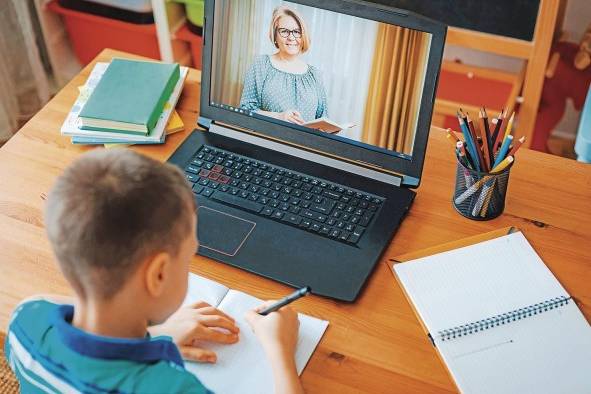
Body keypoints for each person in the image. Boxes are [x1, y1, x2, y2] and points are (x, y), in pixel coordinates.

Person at [4, 149, 303, 394]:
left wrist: (154, 335)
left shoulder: (25, 322)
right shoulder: (172, 388)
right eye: (189, 258)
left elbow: (47, 300)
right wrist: (281, 350)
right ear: (157, 275)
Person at [240, 6, 328, 125]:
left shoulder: (315, 75)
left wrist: (329, 130)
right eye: (284, 31)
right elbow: (245, 111)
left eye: (296, 32)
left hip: (303, 143)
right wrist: (278, 116)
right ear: (275, 35)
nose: (291, 37)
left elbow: (323, 119)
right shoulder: (261, 64)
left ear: (303, 36)